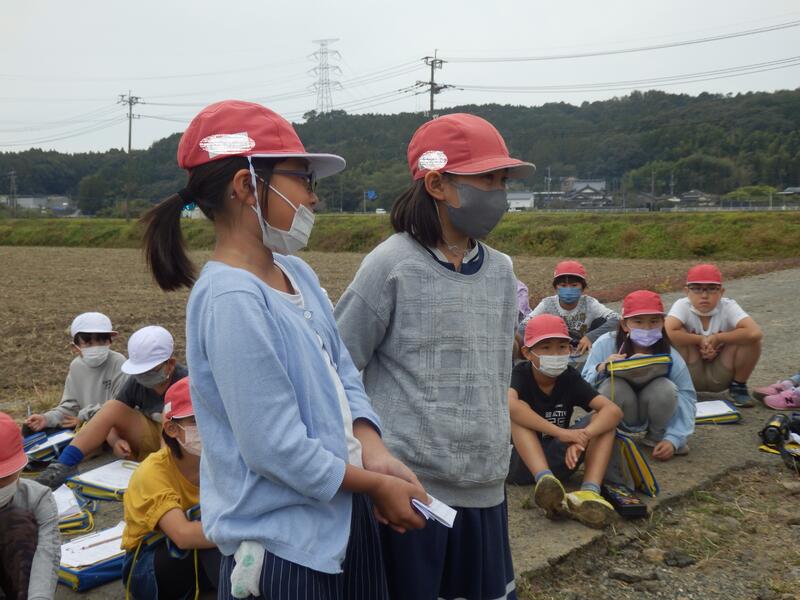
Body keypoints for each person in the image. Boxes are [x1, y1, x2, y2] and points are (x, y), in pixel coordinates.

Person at [140, 99, 427, 599]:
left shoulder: (297, 273)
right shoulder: (231, 299)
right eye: (303, 179)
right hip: (283, 549)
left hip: (341, 518)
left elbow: (343, 371)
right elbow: (274, 448)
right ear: (247, 185)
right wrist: (374, 484)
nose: (313, 198)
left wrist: (374, 452)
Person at [335, 113, 535, 600]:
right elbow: (337, 364)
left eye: (503, 181)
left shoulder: (502, 271)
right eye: (487, 179)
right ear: (436, 184)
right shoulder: (391, 264)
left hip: (485, 481)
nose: (499, 194)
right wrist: (367, 454)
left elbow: (494, 371)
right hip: (409, 489)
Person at [35, 325, 186, 489]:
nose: (143, 377)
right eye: (139, 372)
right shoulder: (136, 382)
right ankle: (61, 467)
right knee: (111, 406)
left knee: (168, 415)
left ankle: (165, 472)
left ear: (170, 364)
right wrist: (115, 441)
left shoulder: (186, 382)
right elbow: (112, 416)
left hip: (181, 442)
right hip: (153, 436)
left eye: (150, 371)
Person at [507, 315, 622, 528]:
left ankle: (589, 492)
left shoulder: (569, 376)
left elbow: (613, 411)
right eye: (546, 348)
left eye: (562, 347)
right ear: (527, 352)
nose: (555, 354)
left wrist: (584, 436)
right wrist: (563, 433)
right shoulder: (521, 373)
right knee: (519, 410)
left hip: (561, 459)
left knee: (603, 421)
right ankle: (544, 480)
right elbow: (510, 406)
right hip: (519, 463)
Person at [122, 377, 220, 599]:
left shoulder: (220, 459)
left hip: (200, 545)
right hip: (150, 562)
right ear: (172, 428)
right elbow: (183, 535)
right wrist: (247, 528)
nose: (208, 426)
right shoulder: (152, 473)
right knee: (220, 546)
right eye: (196, 420)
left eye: (212, 415)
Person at [583, 290, 696, 462]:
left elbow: (686, 394)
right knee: (612, 386)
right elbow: (583, 384)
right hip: (618, 412)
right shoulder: (605, 343)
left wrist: (674, 439)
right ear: (624, 324)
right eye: (638, 321)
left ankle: (657, 436)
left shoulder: (669, 353)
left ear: (663, 323)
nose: (647, 328)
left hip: (652, 409)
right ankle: (607, 435)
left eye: (654, 321)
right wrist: (602, 367)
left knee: (665, 387)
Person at [665, 263, 762, 407]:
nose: (704, 295)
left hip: (721, 372)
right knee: (675, 334)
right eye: (697, 289)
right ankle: (679, 389)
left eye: (711, 289)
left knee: (750, 340)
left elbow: (755, 332)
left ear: (721, 292)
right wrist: (700, 340)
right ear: (687, 291)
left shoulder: (728, 306)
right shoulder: (682, 305)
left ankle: (738, 386)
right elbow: (668, 331)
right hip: (690, 372)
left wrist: (718, 338)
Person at [24, 312, 126, 436]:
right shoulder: (76, 366)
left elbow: (120, 405)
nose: (96, 348)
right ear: (75, 347)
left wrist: (84, 419)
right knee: (34, 431)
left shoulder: (118, 362)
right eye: (88, 344)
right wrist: (46, 419)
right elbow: (70, 406)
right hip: (82, 425)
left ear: (110, 342)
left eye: (101, 342)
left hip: (112, 428)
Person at [0, 412, 60, 600]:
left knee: (18, 523)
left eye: (3, 478)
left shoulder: (38, 498)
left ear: (19, 468)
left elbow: (46, 555)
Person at [519, 260, 619, 358]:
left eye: (574, 285)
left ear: (582, 288)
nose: (568, 289)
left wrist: (591, 336)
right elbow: (523, 327)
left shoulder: (589, 303)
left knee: (601, 321)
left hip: (585, 346)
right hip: (556, 349)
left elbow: (617, 319)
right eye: (563, 285)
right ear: (556, 288)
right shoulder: (548, 304)